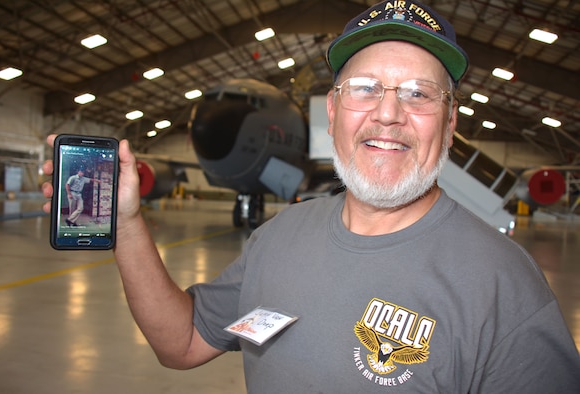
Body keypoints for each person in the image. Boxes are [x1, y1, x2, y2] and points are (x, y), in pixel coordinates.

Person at [42, 0, 580, 392]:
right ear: (332, 111)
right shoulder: (276, 238)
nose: (388, 113)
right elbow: (179, 343)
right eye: (365, 88)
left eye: (419, 94)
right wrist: (128, 223)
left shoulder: (506, 287)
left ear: (450, 120)